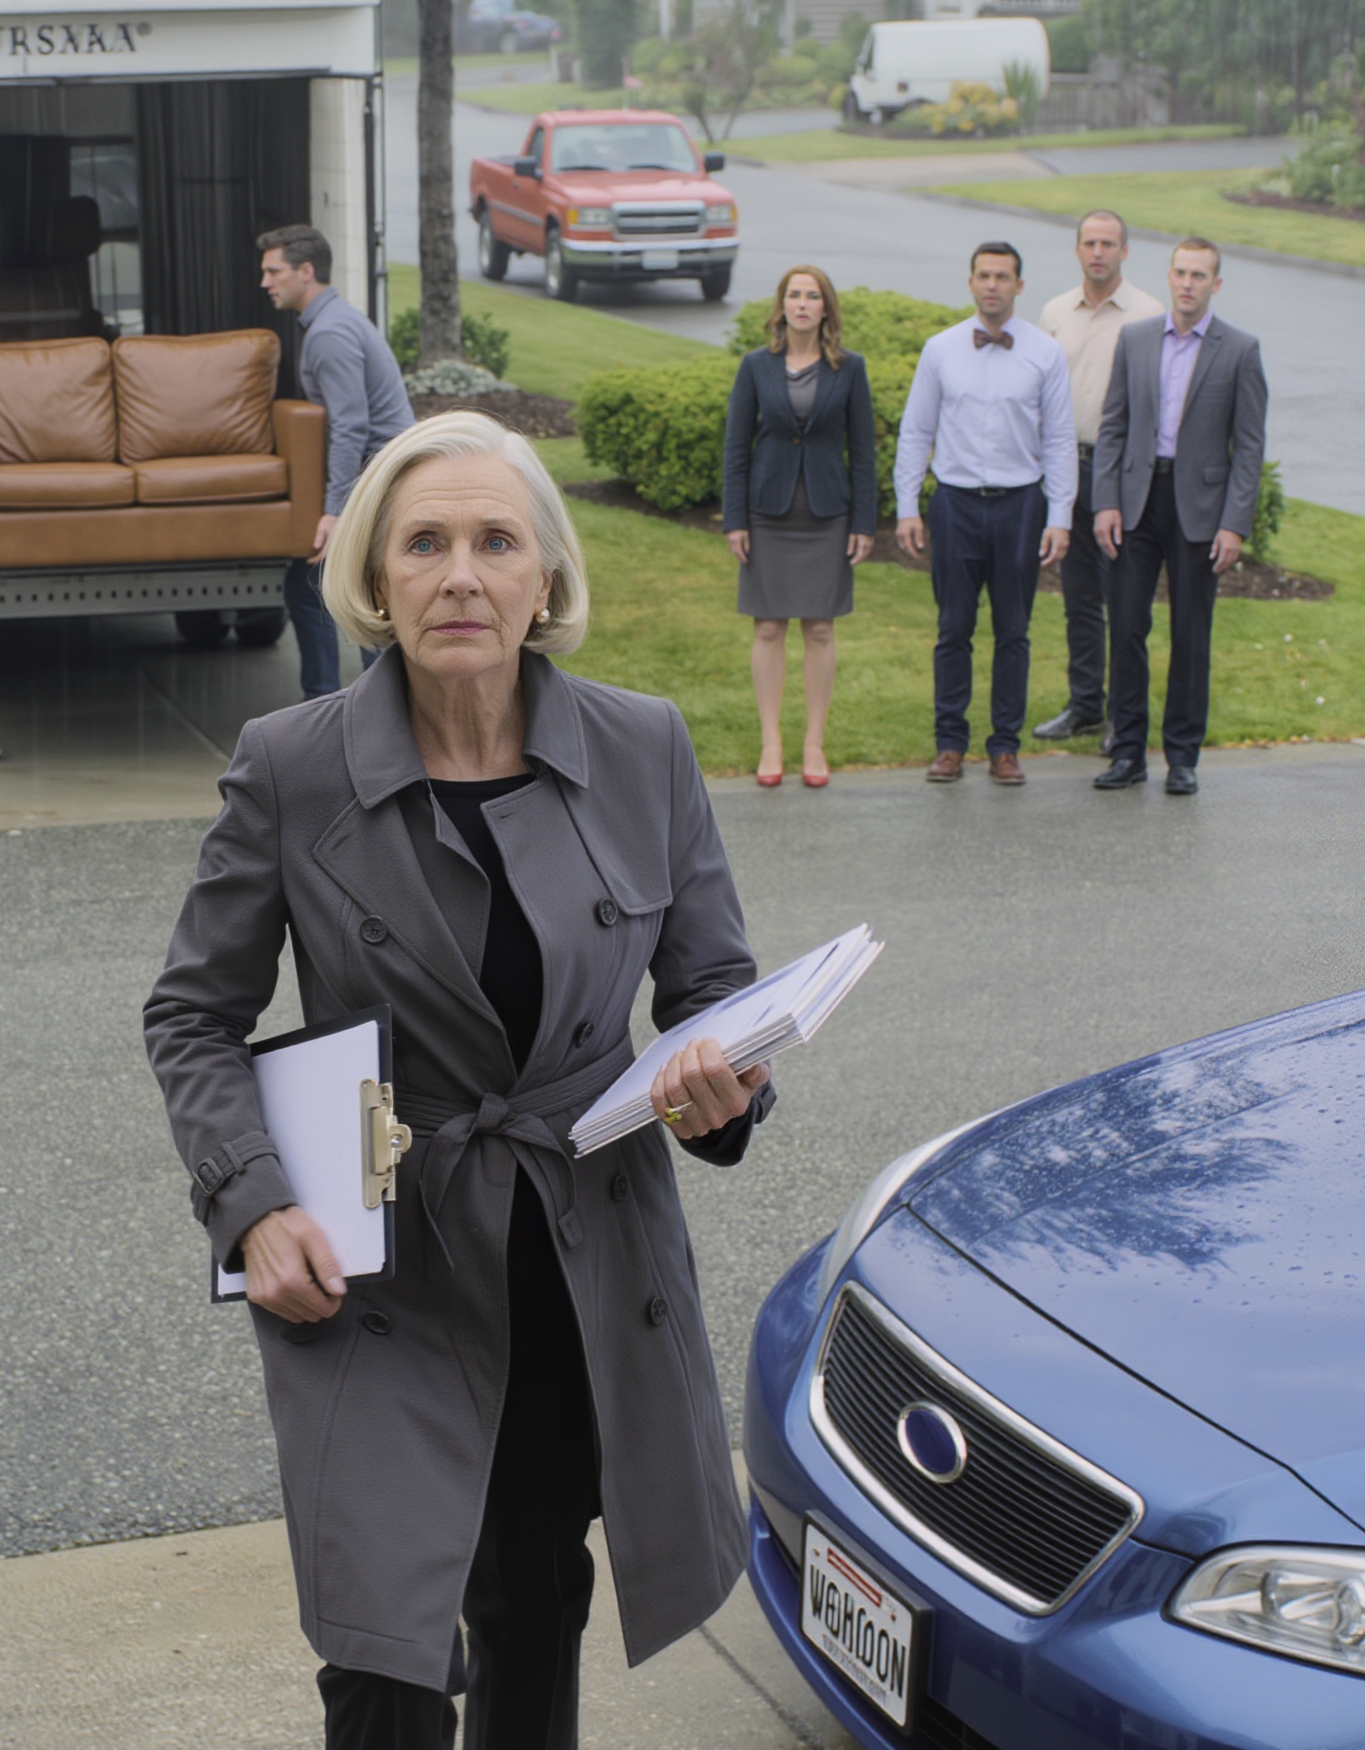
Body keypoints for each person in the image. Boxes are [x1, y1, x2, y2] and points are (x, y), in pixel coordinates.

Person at [145, 411, 774, 1750]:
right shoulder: (290, 763)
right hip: (378, 1258)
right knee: (382, 1647)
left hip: (570, 1250)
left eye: (496, 541)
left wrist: (725, 1077)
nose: (459, 574)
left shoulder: (645, 747)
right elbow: (192, 1014)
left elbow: (715, 986)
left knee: (535, 1592)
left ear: (545, 576)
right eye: (421, 542)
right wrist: (251, 1203)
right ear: (374, 579)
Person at [895, 241, 1076, 786]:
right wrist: (908, 506)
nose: (992, 285)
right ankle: (950, 743)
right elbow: (916, 431)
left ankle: (1004, 746)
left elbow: (1061, 439)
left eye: (1003, 277)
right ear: (970, 283)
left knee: (1014, 631)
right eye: (984, 275)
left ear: (1019, 286)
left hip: (1021, 505)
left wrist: (1060, 515)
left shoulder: (1044, 353)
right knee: (953, 628)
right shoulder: (941, 350)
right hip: (954, 505)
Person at [1092, 238, 1267, 796]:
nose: (1188, 284)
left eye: (1200, 275)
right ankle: (1127, 753)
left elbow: (1249, 447)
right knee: (1127, 629)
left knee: (1191, 635)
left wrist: (1235, 523)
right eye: (1181, 273)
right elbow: (1112, 427)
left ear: (1215, 285)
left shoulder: (1239, 350)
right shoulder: (1136, 339)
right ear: (1168, 278)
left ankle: (1183, 757)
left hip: (1200, 511)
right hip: (1137, 503)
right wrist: (1106, 501)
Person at [722, 265, 876, 788]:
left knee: (820, 627)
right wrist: (736, 519)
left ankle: (814, 743)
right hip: (768, 512)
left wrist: (864, 520)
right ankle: (772, 743)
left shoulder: (850, 369)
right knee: (767, 626)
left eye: (813, 296)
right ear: (782, 305)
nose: (803, 303)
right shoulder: (754, 367)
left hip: (828, 512)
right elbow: (735, 449)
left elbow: (863, 451)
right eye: (795, 294)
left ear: (826, 308)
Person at [259, 223, 414, 699]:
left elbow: (351, 427)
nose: (265, 283)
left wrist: (335, 511)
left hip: (380, 476)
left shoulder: (329, 333)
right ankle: (354, 705)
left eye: (273, 271)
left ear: (306, 272)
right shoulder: (335, 321)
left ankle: (344, 706)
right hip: (379, 472)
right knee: (338, 589)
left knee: (330, 588)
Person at [1034, 210, 1165, 747]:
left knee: (1126, 601)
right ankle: (1085, 703)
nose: (1098, 252)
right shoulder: (1055, 312)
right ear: (1077, 249)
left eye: (1108, 243)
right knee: (1079, 597)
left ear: (1124, 252)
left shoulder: (1147, 314)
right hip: (1069, 470)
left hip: (1124, 476)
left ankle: (1122, 713)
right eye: (1089, 242)